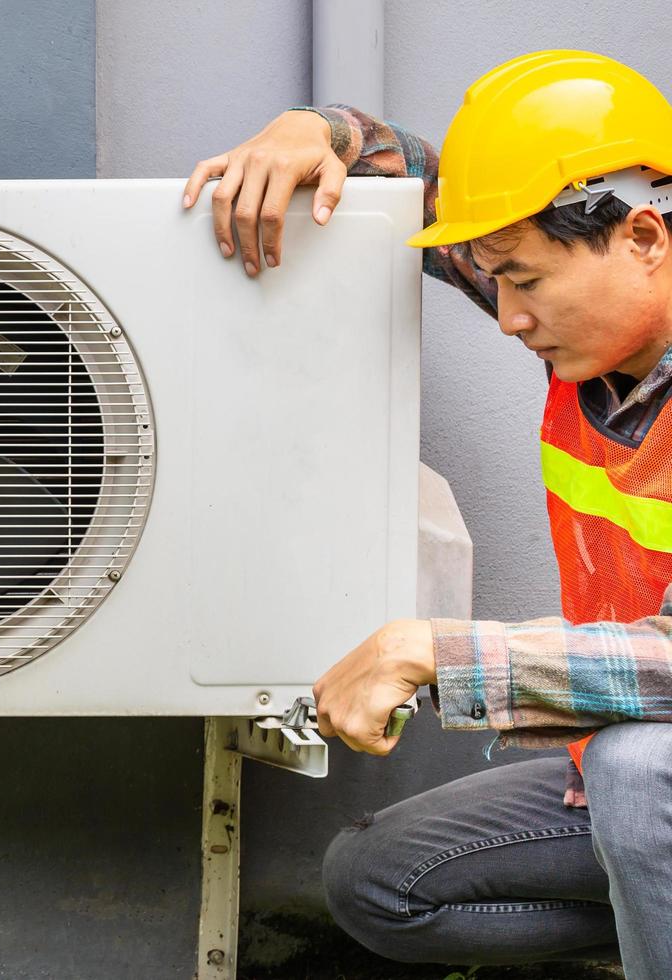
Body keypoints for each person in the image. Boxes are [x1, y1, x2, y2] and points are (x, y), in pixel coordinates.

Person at [184, 50, 672, 976]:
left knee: (638, 770)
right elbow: (410, 169)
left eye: (524, 282)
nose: (507, 316)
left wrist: (429, 650)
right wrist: (321, 131)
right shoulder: (607, 313)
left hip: (652, 766)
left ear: (644, 239)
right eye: (499, 279)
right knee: (379, 880)